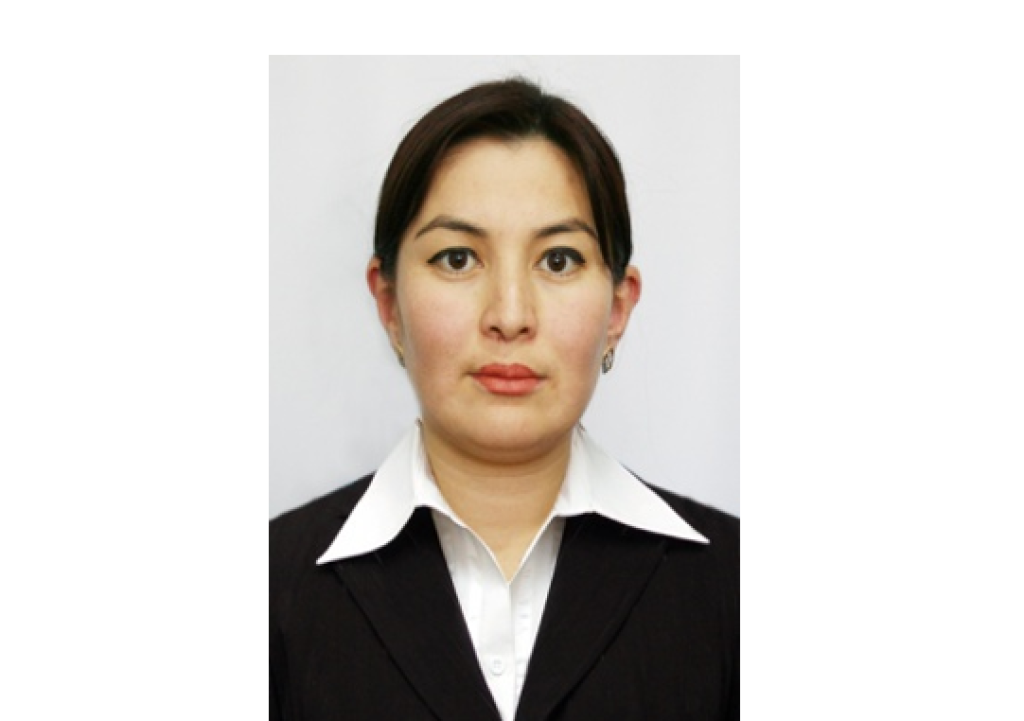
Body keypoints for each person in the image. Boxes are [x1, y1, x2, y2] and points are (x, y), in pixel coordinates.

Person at [270, 77, 739, 721]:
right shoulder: (270, 587)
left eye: (559, 260)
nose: (510, 316)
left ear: (617, 309)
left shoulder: (736, 584)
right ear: (390, 304)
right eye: (458, 259)